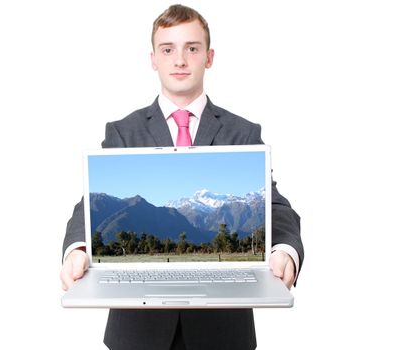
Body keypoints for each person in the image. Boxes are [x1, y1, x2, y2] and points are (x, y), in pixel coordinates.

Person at [60, 4, 304, 350]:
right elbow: (89, 203)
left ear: (209, 57)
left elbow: (275, 206)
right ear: (153, 59)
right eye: (168, 49)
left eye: (192, 48)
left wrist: (284, 250)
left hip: (223, 331)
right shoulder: (123, 132)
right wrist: (78, 249)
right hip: (137, 332)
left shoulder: (242, 132)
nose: (180, 60)